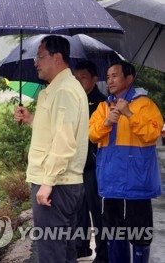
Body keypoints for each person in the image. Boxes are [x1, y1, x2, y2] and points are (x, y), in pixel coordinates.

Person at [14, 35, 89, 262]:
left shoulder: (64, 90)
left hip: (56, 185)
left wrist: (47, 184)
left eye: (39, 56)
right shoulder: (56, 89)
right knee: (64, 252)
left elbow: (64, 142)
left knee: (51, 254)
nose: (35, 62)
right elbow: (52, 132)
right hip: (60, 183)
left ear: (57, 58)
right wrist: (30, 119)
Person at [89, 60, 163, 263]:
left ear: (129, 78)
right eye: (108, 76)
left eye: (115, 76)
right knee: (114, 234)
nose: (110, 80)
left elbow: (151, 134)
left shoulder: (145, 105)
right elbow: (92, 134)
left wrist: (129, 114)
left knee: (139, 236)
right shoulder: (104, 107)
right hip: (110, 184)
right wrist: (106, 123)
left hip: (136, 183)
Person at [74, 61, 108, 262]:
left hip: (95, 164)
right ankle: (81, 247)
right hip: (76, 164)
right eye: (76, 78)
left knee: (97, 212)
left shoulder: (102, 103)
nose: (79, 82)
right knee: (79, 210)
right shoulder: (74, 100)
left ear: (95, 79)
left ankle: (103, 254)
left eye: (83, 77)